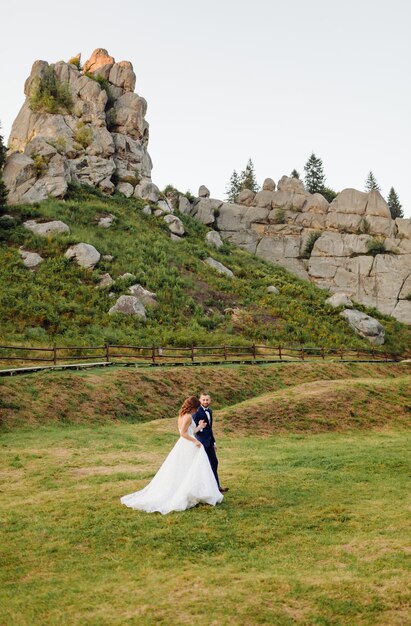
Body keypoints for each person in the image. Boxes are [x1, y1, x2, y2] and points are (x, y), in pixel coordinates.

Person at [120, 396, 223, 514]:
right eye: (196, 408)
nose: (197, 411)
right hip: (188, 444)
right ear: (193, 407)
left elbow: (189, 431)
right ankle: (190, 492)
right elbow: (183, 433)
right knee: (192, 468)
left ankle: (194, 491)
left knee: (189, 468)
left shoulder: (182, 415)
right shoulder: (188, 416)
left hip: (186, 443)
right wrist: (195, 441)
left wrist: (199, 427)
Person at [193, 392, 229, 493]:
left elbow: (210, 429)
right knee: (202, 466)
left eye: (207, 400)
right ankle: (202, 489)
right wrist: (200, 428)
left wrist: (214, 443)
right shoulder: (196, 412)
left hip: (210, 443)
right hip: (201, 443)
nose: (205, 402)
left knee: (214, 463)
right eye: (203, 400)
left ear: (210, 400)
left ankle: (216, 487)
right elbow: (193, 429)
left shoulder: (210, 411)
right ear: (200, 400)